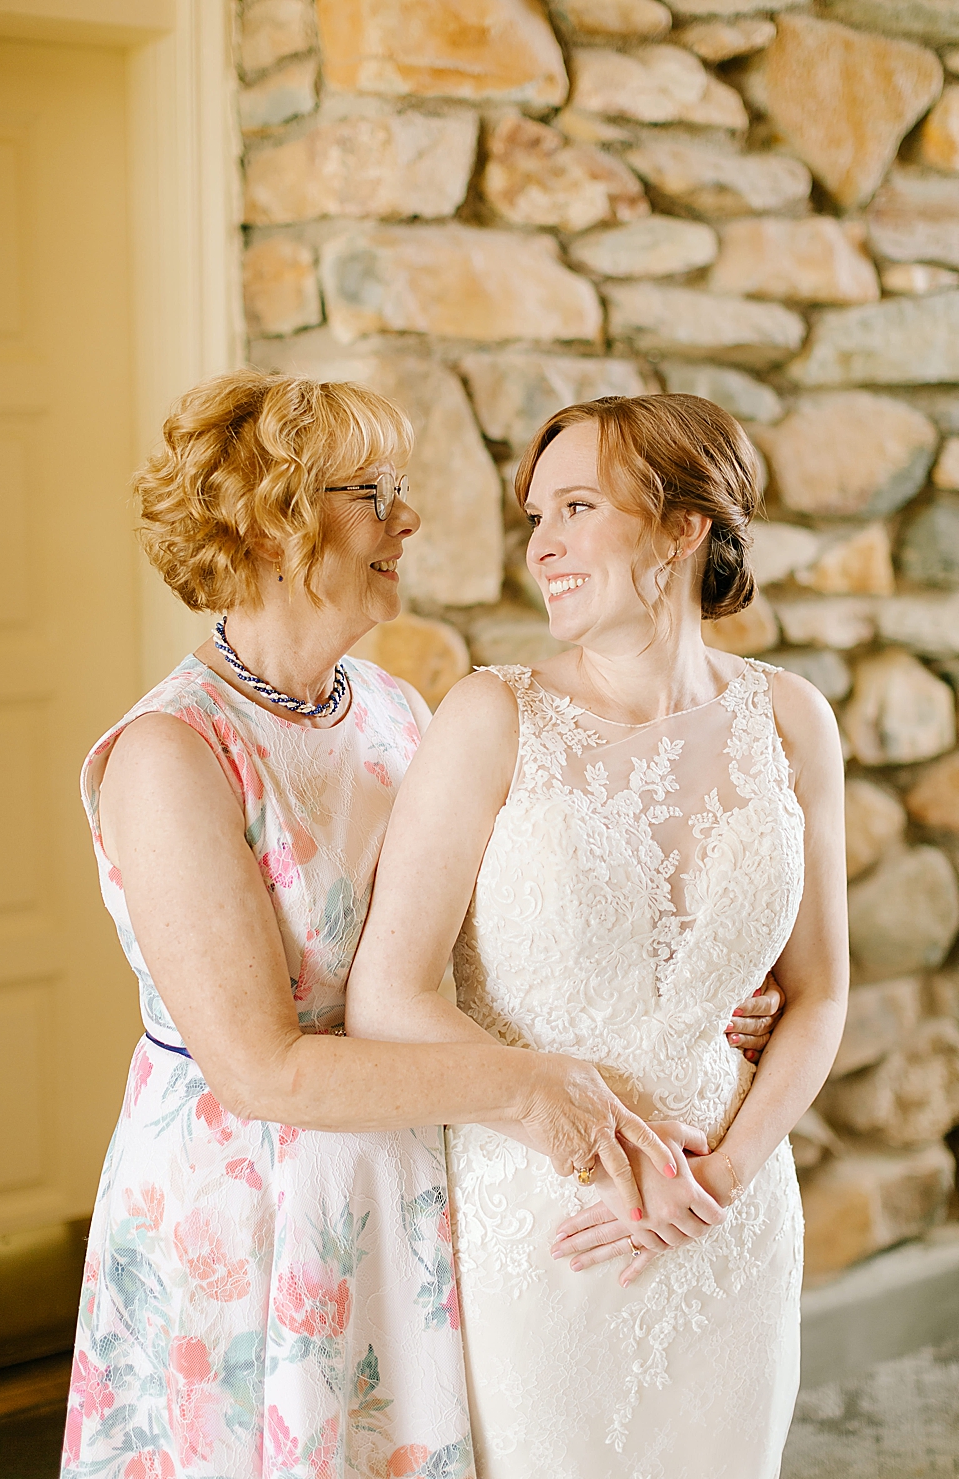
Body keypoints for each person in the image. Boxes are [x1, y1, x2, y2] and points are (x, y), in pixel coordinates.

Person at [59, 370, 781, 1479]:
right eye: (374, 493)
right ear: (273, 517)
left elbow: (478, 940)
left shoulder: (392, 712)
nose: (410, 518)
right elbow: (261, 1070)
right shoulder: (171, 754)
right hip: (251, 1206)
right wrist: (530, 1088)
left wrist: (690, 989)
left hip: (408, 1183)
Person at [345, 394, 847, 1477]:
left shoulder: (793, 721)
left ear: (682, 524)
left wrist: (726, 1174)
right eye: (536, 516)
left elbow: (819, 995)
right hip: (546, 1221)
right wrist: (611, 1155)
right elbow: (387, 994)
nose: (544, 546)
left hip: (731, 1222)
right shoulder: (488, 718)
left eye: (576, 507)